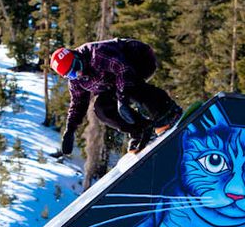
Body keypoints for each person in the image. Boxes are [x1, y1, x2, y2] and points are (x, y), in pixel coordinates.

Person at [50, 38, 182, 155]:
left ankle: (167, 111)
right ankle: (141, 129)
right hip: (115, 80)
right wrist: (70, 129)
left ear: (76, 55)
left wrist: (122, 99)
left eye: (77, 67)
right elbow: (78, 103)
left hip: (139, 58)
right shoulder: (75, 81)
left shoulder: (96, 54)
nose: (78, 73)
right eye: (72, 74)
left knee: (130, 86)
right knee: (100, 108)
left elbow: (122, 69)